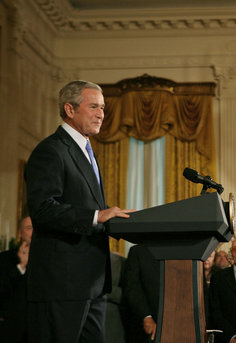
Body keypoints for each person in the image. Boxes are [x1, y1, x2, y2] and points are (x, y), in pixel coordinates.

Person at [25, 80, 134, 343]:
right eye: (94, 106)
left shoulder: (85, 150)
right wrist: (97, 216)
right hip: (63, 285)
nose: (101, 114)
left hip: (90, 284)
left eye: (104, 108)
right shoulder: (51, 150)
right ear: (69, 109)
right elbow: (42, 209)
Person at [0, 216, 33, 343]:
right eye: (29, 228)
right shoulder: (4, 259)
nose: (34, 232)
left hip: (40, 329)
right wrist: (21, 267)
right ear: (19, 233)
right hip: (12, 330)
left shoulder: (50, 260)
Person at [122, 244, 160, 343]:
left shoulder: (183, 252)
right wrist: (146, 317)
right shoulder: (137, 251)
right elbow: (131, 288)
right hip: (146, 329)